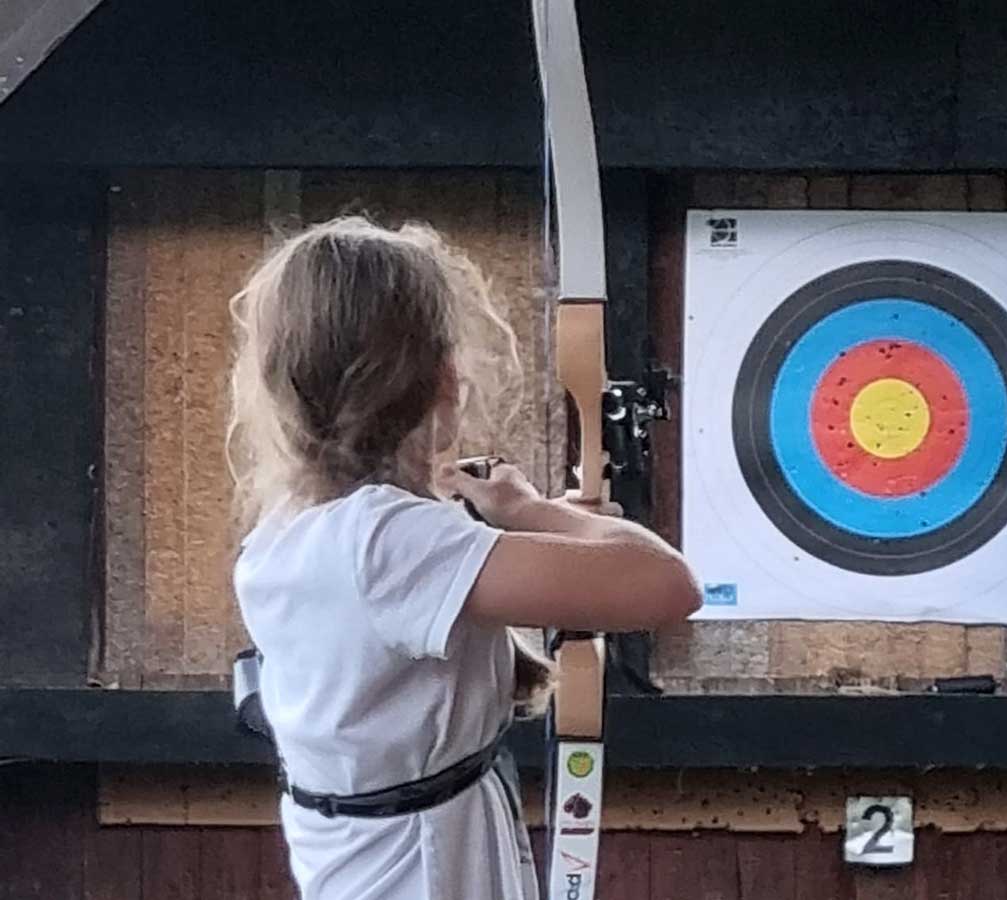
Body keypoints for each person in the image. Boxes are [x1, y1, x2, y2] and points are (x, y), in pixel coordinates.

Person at [227, 216, 701, 900]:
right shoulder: (387, 542)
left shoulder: (295, 525)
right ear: (439, 377)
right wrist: (532, 512)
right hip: (422, 874)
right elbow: (667, 584)